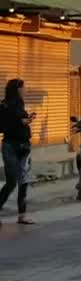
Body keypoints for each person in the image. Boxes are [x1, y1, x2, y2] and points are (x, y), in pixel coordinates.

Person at [0, 78, 35, 225]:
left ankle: (22, 215)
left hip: (24, 146)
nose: (26, 90)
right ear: (17, 89)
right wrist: (23, 121)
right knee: (12, 181)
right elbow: (4, 125)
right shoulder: (4, 105)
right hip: (10, 146)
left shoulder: (21, 104)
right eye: (23, 87)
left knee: (24, 181)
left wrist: (26, 120)